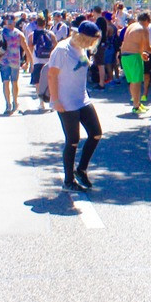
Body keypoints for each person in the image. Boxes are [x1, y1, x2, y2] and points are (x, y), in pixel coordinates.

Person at [48, 21, 103, 190]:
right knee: (73, 140)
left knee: (96, 133)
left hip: (82, 98)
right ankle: (69, 180)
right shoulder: (62, 50)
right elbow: (52, 75)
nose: (92, 45)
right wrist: (55, 100)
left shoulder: (83, 48)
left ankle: (81, 169)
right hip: (66, 101)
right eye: (91, 41)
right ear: (82, 37)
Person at [0, 14, 32, 115]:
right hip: (13, 60)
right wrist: (29, 61)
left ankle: (9, 103)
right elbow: (26, 48)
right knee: (12, 82)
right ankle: (12, 102)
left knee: (8, 82)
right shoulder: (18, 33)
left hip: (5, 61)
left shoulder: (1, 32)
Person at [120, 12, 151, 114]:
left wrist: (141, 53)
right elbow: (148, 48)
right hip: (133, 57)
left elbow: (131, 43)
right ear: (147, 21)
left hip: (125, 56)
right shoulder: (144, 29)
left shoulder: (131, 26)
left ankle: (137, 103)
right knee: (137, 82)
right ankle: (136, 106)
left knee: (133, 81)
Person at [29, 16, 55, 111]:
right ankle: (51, 101)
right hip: (49, 61)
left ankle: (41, 102)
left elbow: (30, 48)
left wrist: (30, 62)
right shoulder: (50, 34)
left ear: (36, 24)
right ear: (45, 24)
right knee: (50, 81)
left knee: (38, 82)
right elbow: (55, 46)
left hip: (37, 61)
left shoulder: (32, 35)